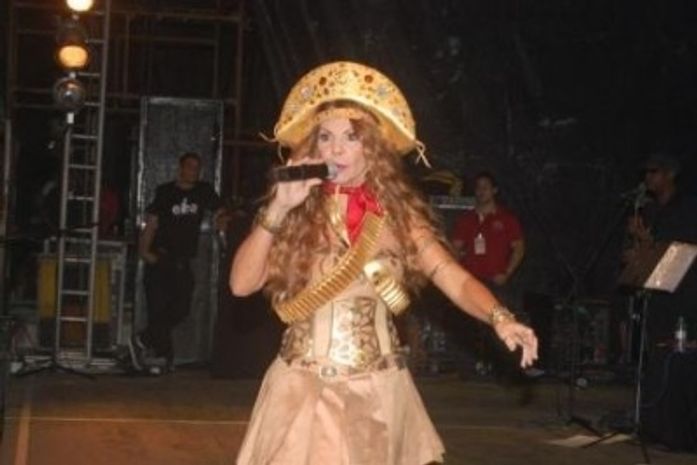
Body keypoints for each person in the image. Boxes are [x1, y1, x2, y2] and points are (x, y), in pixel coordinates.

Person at [229, 61, 538, 464]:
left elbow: (451, 276)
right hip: (303, 388)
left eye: (351, 137)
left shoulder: (397, 216)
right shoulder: (296, 209)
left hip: (376, 391)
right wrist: (278, 208)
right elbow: (241, 284)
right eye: (325, 137)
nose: (336, 149)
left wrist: (500, 317)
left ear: (372, 149)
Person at [130, 152, 226, 374]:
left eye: (197, 168)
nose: (194, 171)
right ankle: (162, 356)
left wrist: (222, 222)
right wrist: (144, 251)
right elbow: (152, 222)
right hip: (162, 256)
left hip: (183, 260)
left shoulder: (203, 191)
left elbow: (220, 209)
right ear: (180, 168)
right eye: (190, 167)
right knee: (158, 307)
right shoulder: (166, 192)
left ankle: (144, 339)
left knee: (182, 308)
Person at [450, 171, 526, 377]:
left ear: (494, 190)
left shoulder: (506, 219)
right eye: (478, 187)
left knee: (498, 322)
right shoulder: (467, 219)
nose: (481, 191)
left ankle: (503, 369)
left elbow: (519, 248)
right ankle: (467, 369)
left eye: (485, 187)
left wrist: (507, 273)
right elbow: (455, 247)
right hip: (471, 281)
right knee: (469, 324)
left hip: (496, 280)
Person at [624, 153, 697, 346]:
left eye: (653, 171)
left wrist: (645, 239)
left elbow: (679, 252)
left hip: (682, 291)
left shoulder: (687, 208)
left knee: (677, 347)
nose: (647, 177)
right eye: (645, 172)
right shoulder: (651, 210)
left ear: (670, 174)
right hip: (656, 293)